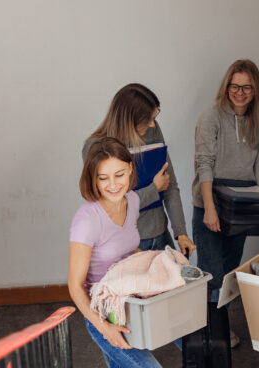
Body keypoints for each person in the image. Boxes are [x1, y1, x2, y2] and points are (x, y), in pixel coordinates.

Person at [192, 59, 259, 346]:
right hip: (211, 200)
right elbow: (203, 164)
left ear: (255, 90)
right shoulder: (210, 117)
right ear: (226, 86)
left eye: (247, 87)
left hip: (242, 204)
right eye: (234, 86)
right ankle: (209, 331)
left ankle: (217, 325)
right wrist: (209, 208)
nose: (239, 92)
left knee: (227, 274)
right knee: (211, 271)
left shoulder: (258, 122)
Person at [68, 137, 162, 367]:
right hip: (102, 313)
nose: (113, 185)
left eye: (119, 174)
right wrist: (103, 326)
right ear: (94, 179)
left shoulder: (133, 200)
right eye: (103, 178)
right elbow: (74, 285)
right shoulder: (87, 220)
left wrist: (157, 265)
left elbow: (128, 249)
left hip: (129, 303)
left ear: (131, 168)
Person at [83, 83, 195, 256]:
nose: (152, 125)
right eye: (147, 120)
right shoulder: (95, 148)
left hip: (161, 236)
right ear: (128, 120)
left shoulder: (152, 130)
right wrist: (153, 189)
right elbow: (110, 205)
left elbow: (170, 185)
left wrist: (181, 233)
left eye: (154, 117)